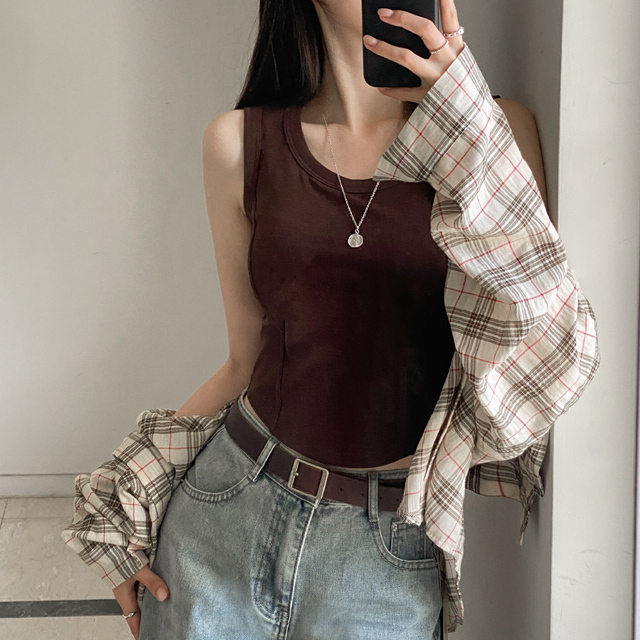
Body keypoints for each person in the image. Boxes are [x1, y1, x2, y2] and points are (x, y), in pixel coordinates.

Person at [60, 0, 601, 637]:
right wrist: (124, 510)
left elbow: (547, 339)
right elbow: (243, 362)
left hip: (385, 553)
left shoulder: (496, 131)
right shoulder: (237, 142)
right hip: (224, 519)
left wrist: (464, 111)